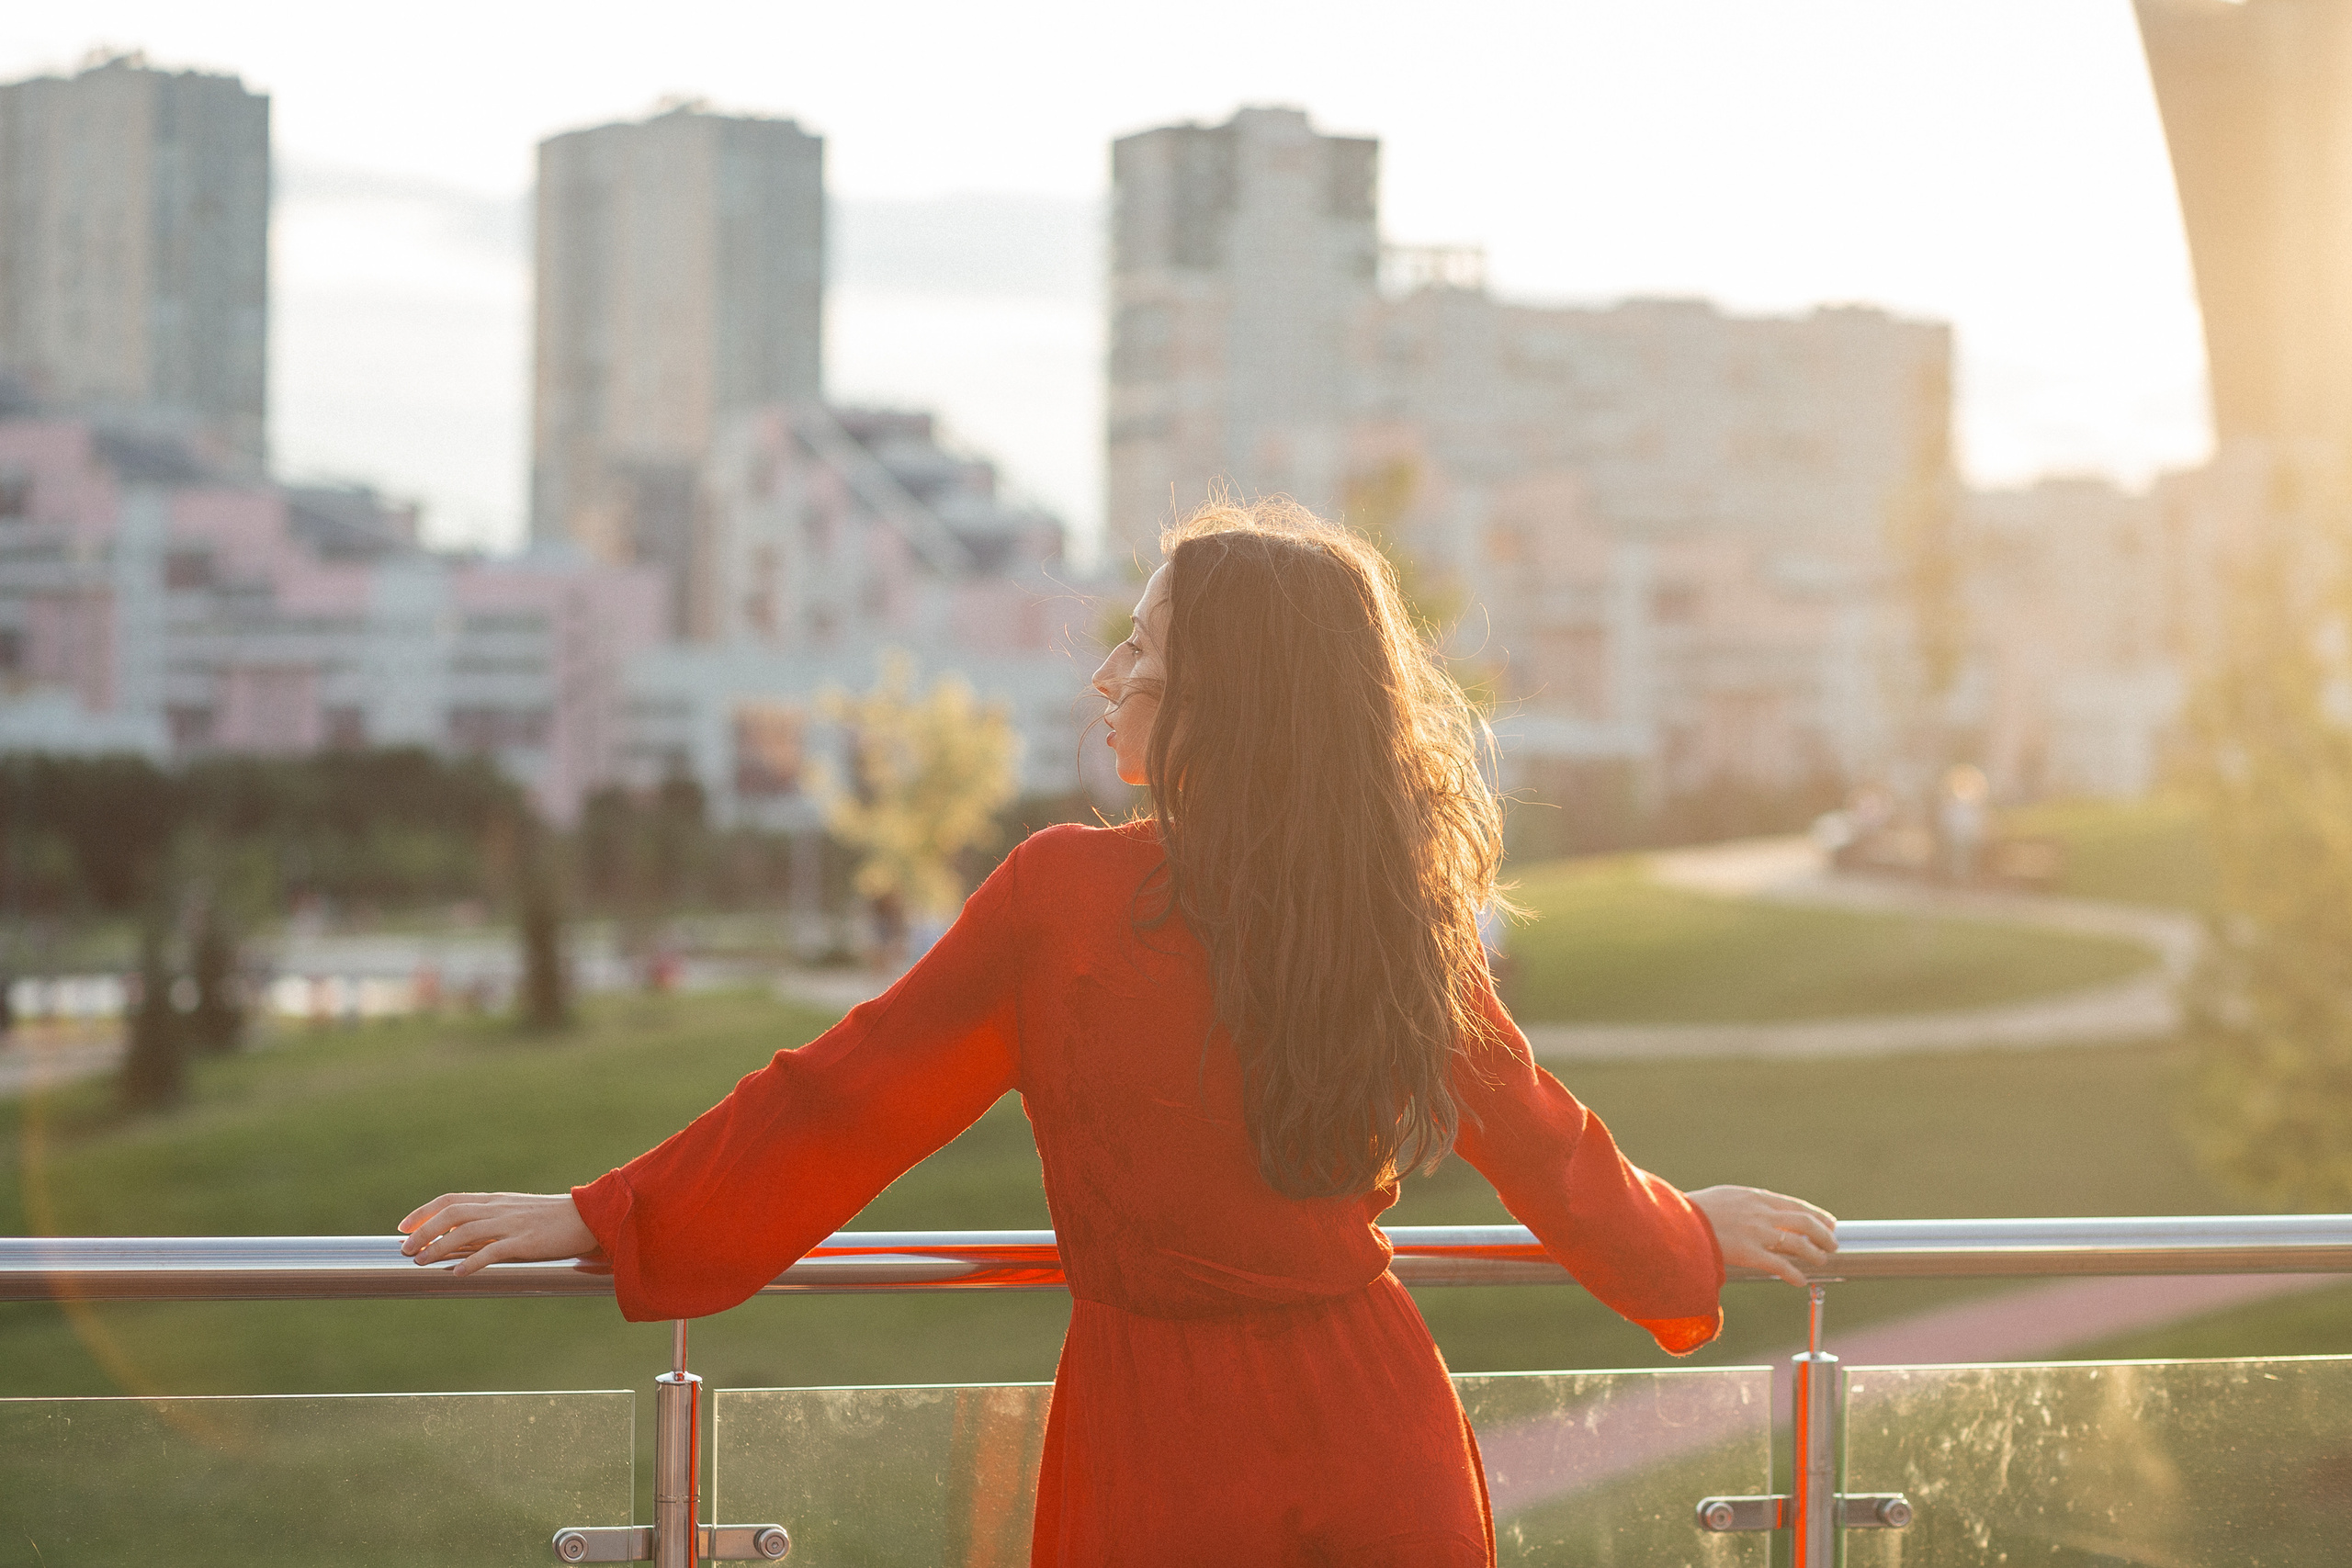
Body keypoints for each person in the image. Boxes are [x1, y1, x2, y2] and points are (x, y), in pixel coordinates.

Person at [401, 502, 1837, 1567]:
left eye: (1138, 653)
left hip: (1164, 1448)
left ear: (1222, 700)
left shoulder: (1068, 899)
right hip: (1376, 1421)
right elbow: (1548, 1145)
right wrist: (1680, 1239)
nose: (1108, 681)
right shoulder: (1380, 904)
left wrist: (608, 1217)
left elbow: (849, 1100)